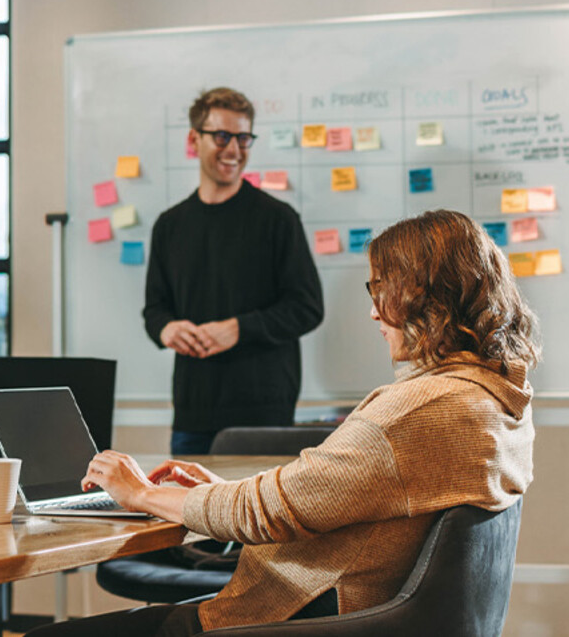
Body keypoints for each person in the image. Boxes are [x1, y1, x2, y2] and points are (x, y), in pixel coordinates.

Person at [36, 210, 536, 636]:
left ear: (425, 296)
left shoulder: (419, 411)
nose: (371, 312)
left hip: (289, 616)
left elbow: (266, 513)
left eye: (381, 290)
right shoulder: (495, 397)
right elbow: (310, 497)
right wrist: (220, 491)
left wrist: (139, 493)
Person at [143, 87, 324, 455]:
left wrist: (238, 329)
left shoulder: (278, 219)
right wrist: (166, 329)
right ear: (194, 139)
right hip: (192, 413)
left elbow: (307, 307)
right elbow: (155, 309)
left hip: (264, 414)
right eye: (222, 136)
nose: (234, 150)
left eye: (243, 138)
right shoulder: (169, 225)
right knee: (184, 512)